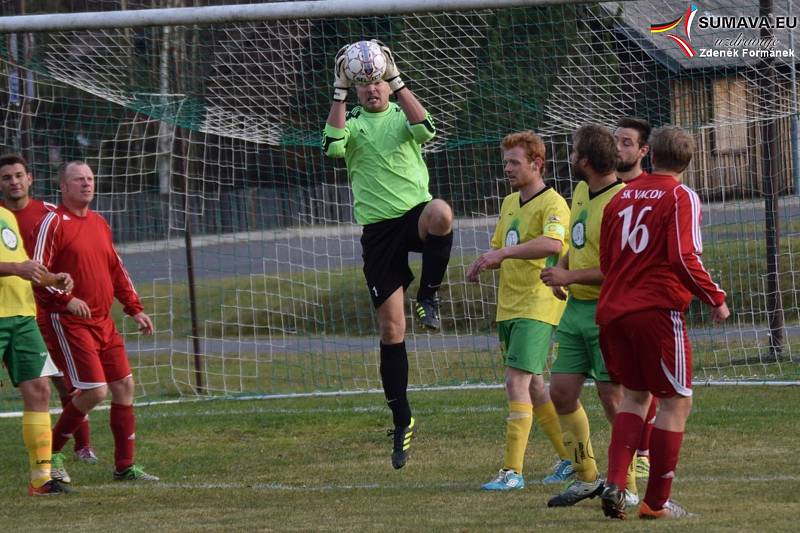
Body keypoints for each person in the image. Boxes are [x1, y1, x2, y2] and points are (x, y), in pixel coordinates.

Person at [322, 40, 453, 469]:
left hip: (413, 215)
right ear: (358, 91)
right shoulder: (354, 124)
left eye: (376, 82)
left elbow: (428, 130)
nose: (372, 91)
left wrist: (399, 82)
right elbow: (331, 148)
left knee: (442, 212)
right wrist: (339, 92)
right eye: (365, 86)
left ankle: (429, 295)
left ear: (385, 82)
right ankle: (402, 418)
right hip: (378, 233)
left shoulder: (401, 115)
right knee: (391, 330)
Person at [597, 126, 730, 519]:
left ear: (650, 154)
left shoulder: (619, 200)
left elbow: (607, 263)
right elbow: (683, 257)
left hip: (613, 312)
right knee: (676, 401)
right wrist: (715, 298)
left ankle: (616, 483)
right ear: (689, 161)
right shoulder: (679, 195)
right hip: (654, 311)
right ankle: (655, 502)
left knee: (636, 395)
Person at [33, 160, 158, 483]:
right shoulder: (53, 223)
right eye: (78, 180)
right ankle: (51, 456)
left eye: (90, 179)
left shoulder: (100, 222)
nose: (86, 184)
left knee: (124, 386)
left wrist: (134, 307)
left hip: (104, 321)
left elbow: (115, 269)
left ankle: (124, 466)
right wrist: (66, 299)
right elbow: (37, 274)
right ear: (63, 186)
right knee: (94, 391)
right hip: (70, 322)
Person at [541, 125, 642, 507]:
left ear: (584, 160)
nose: (568, 157)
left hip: (609, 311)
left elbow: (618, 267)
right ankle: (586, 478)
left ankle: (627, 486)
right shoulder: (582, 191)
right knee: (561, 392)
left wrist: (568, 274)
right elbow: (577, 241)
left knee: (613, 399)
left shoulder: (621, 202)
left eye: (572, 151)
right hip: (575, 311)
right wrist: (561, 268)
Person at [467, 130, 573, 490]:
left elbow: (552, 243)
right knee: (536, 386)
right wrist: (485, 261)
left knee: (516, 381)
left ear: (536, 163)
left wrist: (503, 253)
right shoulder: (510, 203)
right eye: (506, 162)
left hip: (538, 302)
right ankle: (570, 459)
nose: (508, 168)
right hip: (509, 305)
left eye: (514, 162)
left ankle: (512, 471)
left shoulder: (554, 203)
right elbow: (501, 247)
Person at [0, 153, 97, 465]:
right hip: (12, 310)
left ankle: (72, 452)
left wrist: (58, 280)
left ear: (30, 179)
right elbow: (23, 266)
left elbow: (44, 263)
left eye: (19, 175)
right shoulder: (3, 215)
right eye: (7, 177)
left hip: (39, 310)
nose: (14, 182)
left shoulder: (47, 214)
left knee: (56, 382)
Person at [0, 202, 74, 495]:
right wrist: (17, 267)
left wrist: (53, 278)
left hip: (22, 318)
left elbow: (23, 267)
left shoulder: (5, 215)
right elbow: (17, 267)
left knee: (40, 390)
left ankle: (41, 478)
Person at [613, 118, 657, 478]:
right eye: (616, 141)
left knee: (642, 381)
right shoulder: (605, 190)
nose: (618, 149)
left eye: (627, 143)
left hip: (643, 304)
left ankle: (643, 452)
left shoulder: (652, 191)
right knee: (618, 386)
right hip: (610, 304)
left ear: (644, 151)